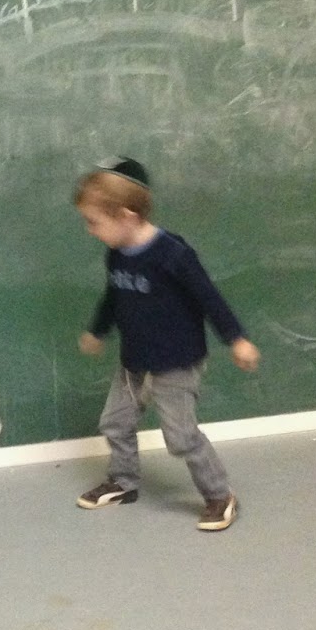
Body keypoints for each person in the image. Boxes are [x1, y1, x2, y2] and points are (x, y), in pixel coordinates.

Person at [74, 156, 260, 531]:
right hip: (134, 361)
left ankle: (220, 495)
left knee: (181, 437)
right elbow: (113, 297)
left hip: (176, 363)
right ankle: (124, 482)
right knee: (114, 423)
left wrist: (236, 339)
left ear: (127, 216)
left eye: (94, 222)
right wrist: (98, 330)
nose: (90, 230)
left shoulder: (174, 255)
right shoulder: (116, 254)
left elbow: (209, 298)